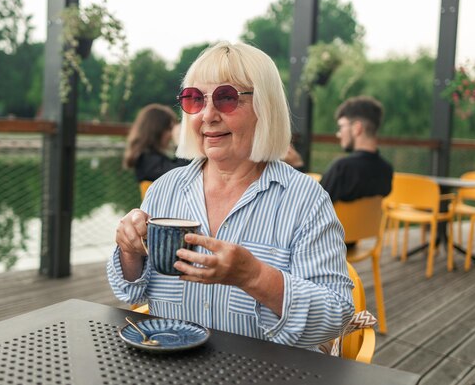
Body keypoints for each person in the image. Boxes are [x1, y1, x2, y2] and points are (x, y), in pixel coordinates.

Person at [108, 41, 353, 351]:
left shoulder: (306, 200)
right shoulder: (165, 188)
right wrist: (129, 250)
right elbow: (131, 293)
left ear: (265, 108)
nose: (207, 115)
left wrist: (254, 277)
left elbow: (335, 316)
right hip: (172, 367)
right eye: (195, 99)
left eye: (226, 98)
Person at [320, 96, 393, 204]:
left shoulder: (342, 169)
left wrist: (298, 168)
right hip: (369, 222)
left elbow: (309, 209)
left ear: (357, 128)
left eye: (341, 127)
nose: (338, 134)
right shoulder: (386, 170)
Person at [122, 103, 190, 182]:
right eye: (170, 129)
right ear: (157, 130)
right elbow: (181, 175)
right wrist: (180, 143)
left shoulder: (150, 158)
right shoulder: (147, 160)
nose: (171, 134)